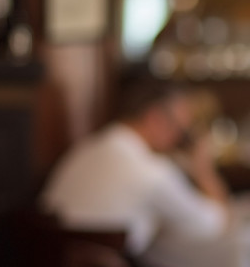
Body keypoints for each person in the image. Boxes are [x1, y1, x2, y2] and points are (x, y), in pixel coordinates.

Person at [41, 80, 229, 256]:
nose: (178, 140)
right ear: (155, 119)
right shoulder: (151, 171)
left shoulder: (90, 147)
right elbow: (212, 225)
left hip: (46, 266)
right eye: (180, 130)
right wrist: (204, 170)